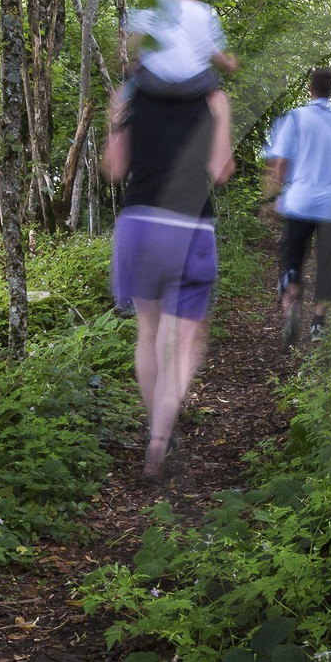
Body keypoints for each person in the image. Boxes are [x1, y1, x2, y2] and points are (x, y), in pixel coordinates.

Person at [105, 37, 228, 479]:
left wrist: (120, 128)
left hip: (138, 224)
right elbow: (220, 169)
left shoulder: (127, 93)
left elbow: (115, 168)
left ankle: (156, 431)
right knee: (179, 343)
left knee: (148, 332)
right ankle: (160, 438)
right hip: (189, 225)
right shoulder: (213, 98)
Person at [260, 67, 331, 345]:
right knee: (327, 265)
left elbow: (280, 166)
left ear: (311, 89)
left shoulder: (294, 119)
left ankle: (292, 299)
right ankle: (318, 324)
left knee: (293, 257)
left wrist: (272, 197)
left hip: (299, 202)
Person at [123, 0, 237, 187]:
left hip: (152, 85)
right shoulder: (205, 15)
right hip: (193, 88)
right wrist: (227, 63)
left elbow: (134, 42)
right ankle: (218, 158)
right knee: (216, 94)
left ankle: (120, 127)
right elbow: (211, 51)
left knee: (131, 82)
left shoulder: (152, 8)